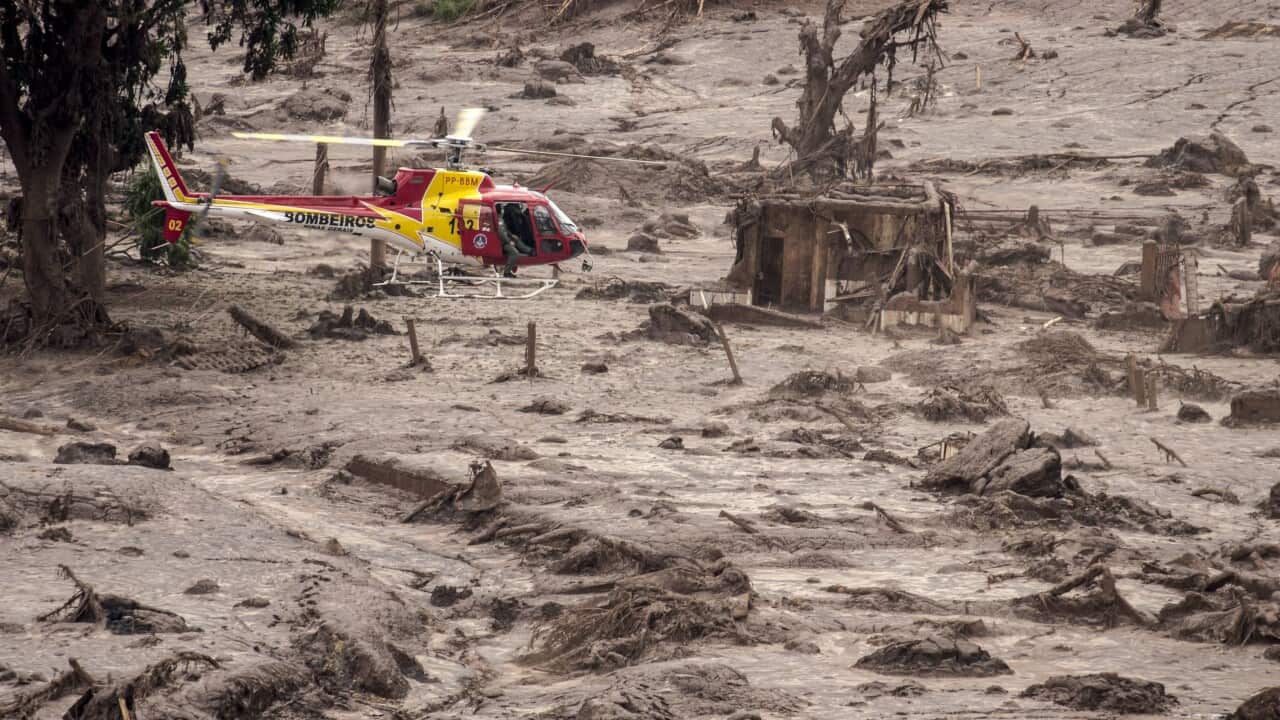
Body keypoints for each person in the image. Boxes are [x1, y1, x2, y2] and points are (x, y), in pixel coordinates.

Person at [498, 205, 531, 277]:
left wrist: (511, 235)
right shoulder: (498, 221)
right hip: (501, 243)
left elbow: (505, 230)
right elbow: (501, 234)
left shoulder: (500, 219)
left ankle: (528, 250)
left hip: (505, 240)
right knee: (514, 253)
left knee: (516, 239)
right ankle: (507, 272)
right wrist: (509, 241)